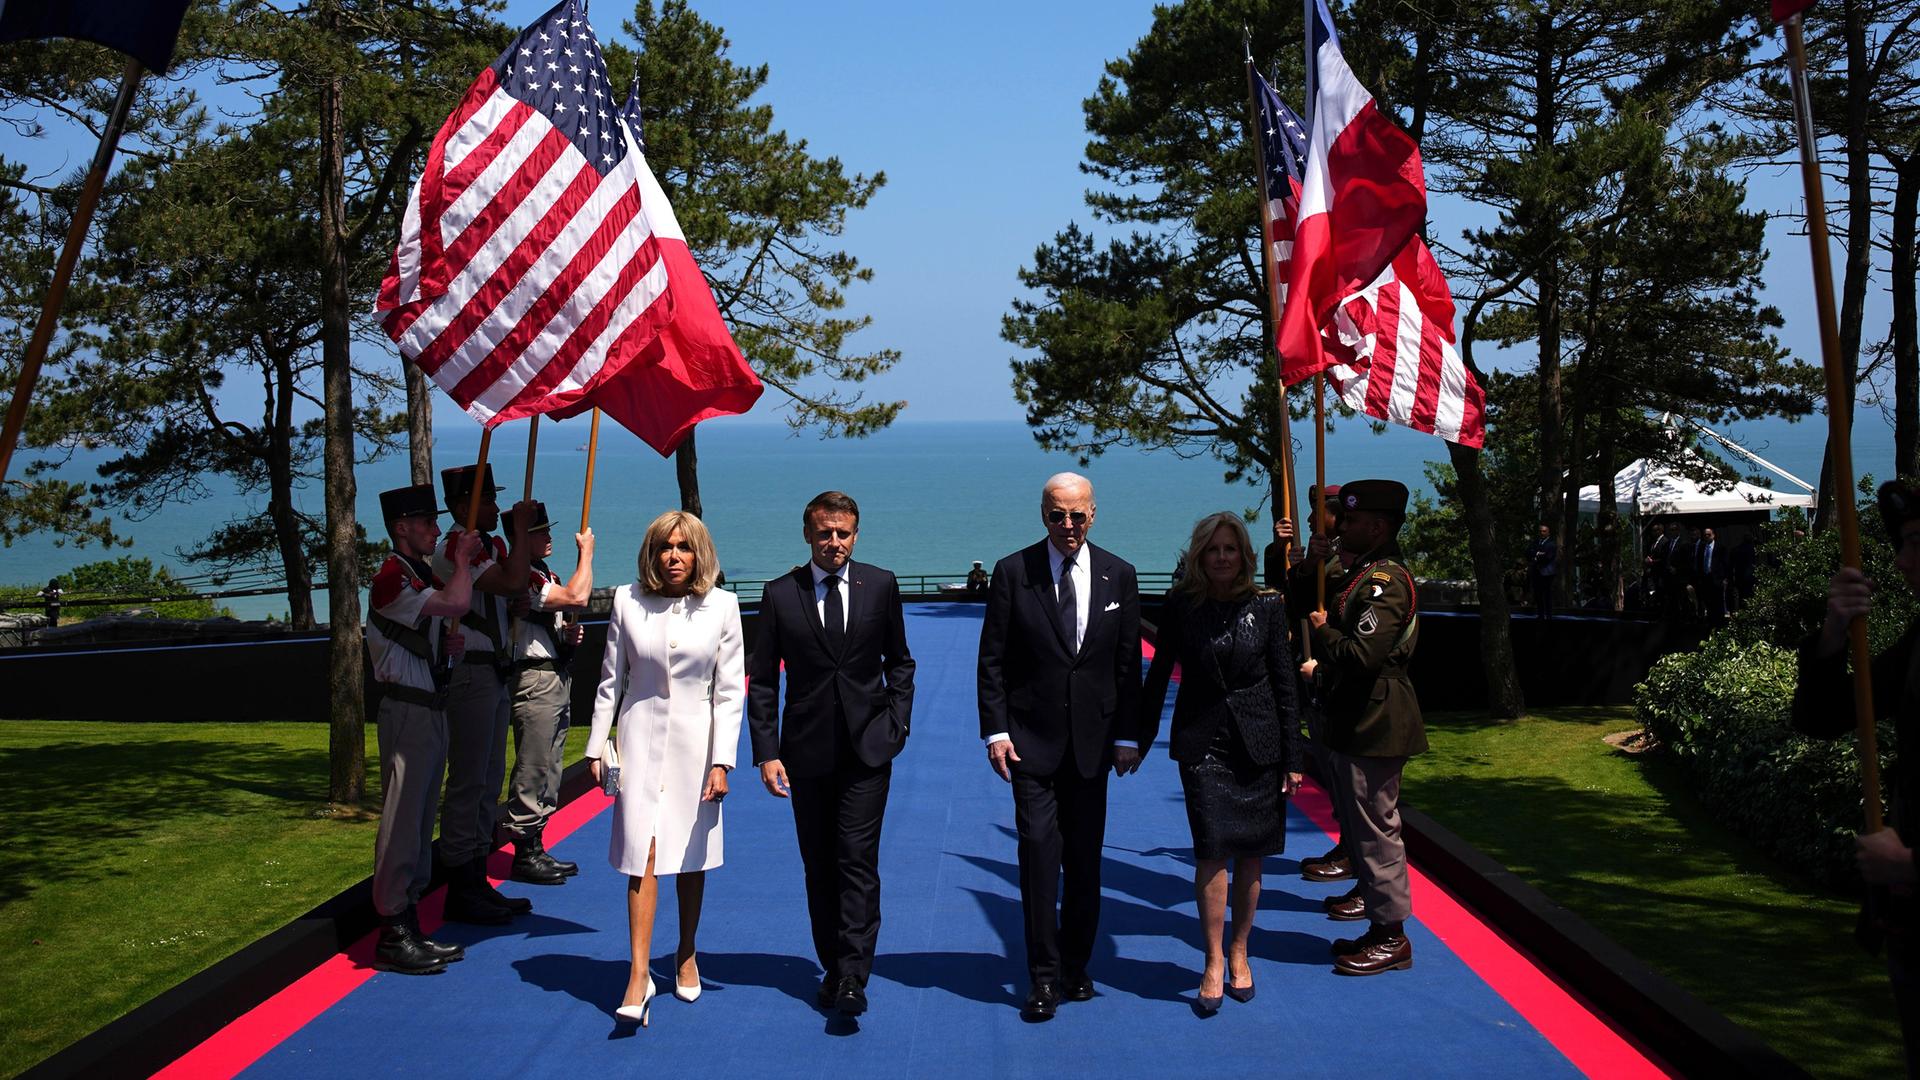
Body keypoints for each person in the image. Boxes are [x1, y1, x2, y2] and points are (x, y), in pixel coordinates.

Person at [977, 471, 1143, 1021]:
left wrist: (1126, 735)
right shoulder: (1011, 572)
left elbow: (1126, 666)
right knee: (1039, 860)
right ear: (1042, 515)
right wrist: (996, 731)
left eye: (1077, 515)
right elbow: (993, 660)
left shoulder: (1120, 575)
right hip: (1030, 746)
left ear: (1093, 514)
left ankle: (1076, 969)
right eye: (1056, 515)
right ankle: (1042, 978)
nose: (1067, 526)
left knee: (1085, 865)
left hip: (1094, 749)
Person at [749, 491, 916, 1018]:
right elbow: (762, 684)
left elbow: (901, 663)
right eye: (825, 532)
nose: (834, 542)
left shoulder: (881, 585)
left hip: (869, 751)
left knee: (857, 862)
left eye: (843, 532)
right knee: (819, 866)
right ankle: (832, 963)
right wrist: (766, 752)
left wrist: (897, 724)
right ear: (808, 535)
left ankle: (852, 976)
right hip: (805, 755)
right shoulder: (779, 594)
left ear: (856, 534)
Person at [1139, 512, 1303, 1013]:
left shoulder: (1269, 606)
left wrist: (1294, 758)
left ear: (1245, 556)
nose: (1222, 558)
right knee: (1211, 851)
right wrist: (1135, 740)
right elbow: (1159, 672)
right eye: (1213, 550)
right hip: (1202, 744)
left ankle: (1239, 951)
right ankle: (1211, 960)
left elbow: (1285, 683)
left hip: (1260, 745)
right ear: (1199, 556)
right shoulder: (1182, 606)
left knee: (1251, 854)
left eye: (1231, 549)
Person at [585, 511, 744, 1026]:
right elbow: (611, 679)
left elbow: (728, 691)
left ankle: (687, 950)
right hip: (638, 739)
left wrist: (723, 761)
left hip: (697, 748)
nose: (673, 557)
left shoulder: (722, 605)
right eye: (664, 548)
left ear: (700, 554)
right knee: (643, 853)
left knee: (690, 856)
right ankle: (637, 973)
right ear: (651, 554)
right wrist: (595, 746)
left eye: (683, 547)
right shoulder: (628, 601)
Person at [1794, 480, 1920, 1070]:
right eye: (1902, 542)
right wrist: (1834, 633)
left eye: (1916, 541)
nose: (1900, 560)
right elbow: (1825, 718)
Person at [1307, 479, 1425, 976]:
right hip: (1357, 716)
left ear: (1377, 526)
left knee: (1377, 832)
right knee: (1364, 826)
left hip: (1376, 718)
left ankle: (1391, 936)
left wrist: (1323, 636)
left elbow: (1362, 653)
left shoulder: (1386, 581)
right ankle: (1379, 925)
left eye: (1351, 520)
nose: (1341, 526)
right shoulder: (1361, 574)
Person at [364, 484, 479, 974]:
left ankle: (409, 919)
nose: (435, 529)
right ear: (400, 528)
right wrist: (467, 562)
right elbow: (455, 604)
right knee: (402, 819)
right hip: (408, 710)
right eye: (426, 522)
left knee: (419, 817)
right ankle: (392, 928)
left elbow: (439, 621)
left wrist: (441, 649)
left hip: (428, 705)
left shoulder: (415, 574)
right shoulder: (393, 576)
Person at [432, 465, 536, 925]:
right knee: (469, 782)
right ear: (462, 508)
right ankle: (461, 883)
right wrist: (518, 538)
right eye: (488, 501)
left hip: (492, 670)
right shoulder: (455, 548)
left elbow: (512, 591)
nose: (496, 508)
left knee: (487, 781)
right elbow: (511, 581)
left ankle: (476, 879)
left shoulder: (484, 547)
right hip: (469, 672)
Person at [501, 501, 595, 887]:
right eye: (539, 531)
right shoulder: (522, 574)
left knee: (551, 762)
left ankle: (536, 842)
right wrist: (586, 555)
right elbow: (578, 596)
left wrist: (565, 638)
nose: (549, 536)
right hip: (533, 677)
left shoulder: (544, 573)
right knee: (534, 762)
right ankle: (524, 849)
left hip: (553, 672)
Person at [1696, 526, 1728, 620]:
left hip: (1717, 579)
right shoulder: (1701, 547)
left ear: (1713, 535)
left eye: (1709, 535)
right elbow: (1699, 562)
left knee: (1718, 601)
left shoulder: (1720, 547)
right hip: (1705, 578)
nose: (1707, 537)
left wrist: (1725, 578)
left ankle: (1720, 622)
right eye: (1705, 535)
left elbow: (1725, 563)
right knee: (1708, 601)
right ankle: (1711, 620)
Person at [1528, 524, 1558, 620]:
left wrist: (1536, 555)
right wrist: (1538, 553)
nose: (1542, 533)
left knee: (1547, 594)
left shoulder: (1552, 544)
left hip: (1547, 572)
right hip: (1536, 572)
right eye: (1541, 531)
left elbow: (1548, 557)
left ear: (1548, 532)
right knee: (1538, 594)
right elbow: (1528, 552)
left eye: (1544, 531)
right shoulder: (1536, 542)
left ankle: (1549, 615)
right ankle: (1540, 614)